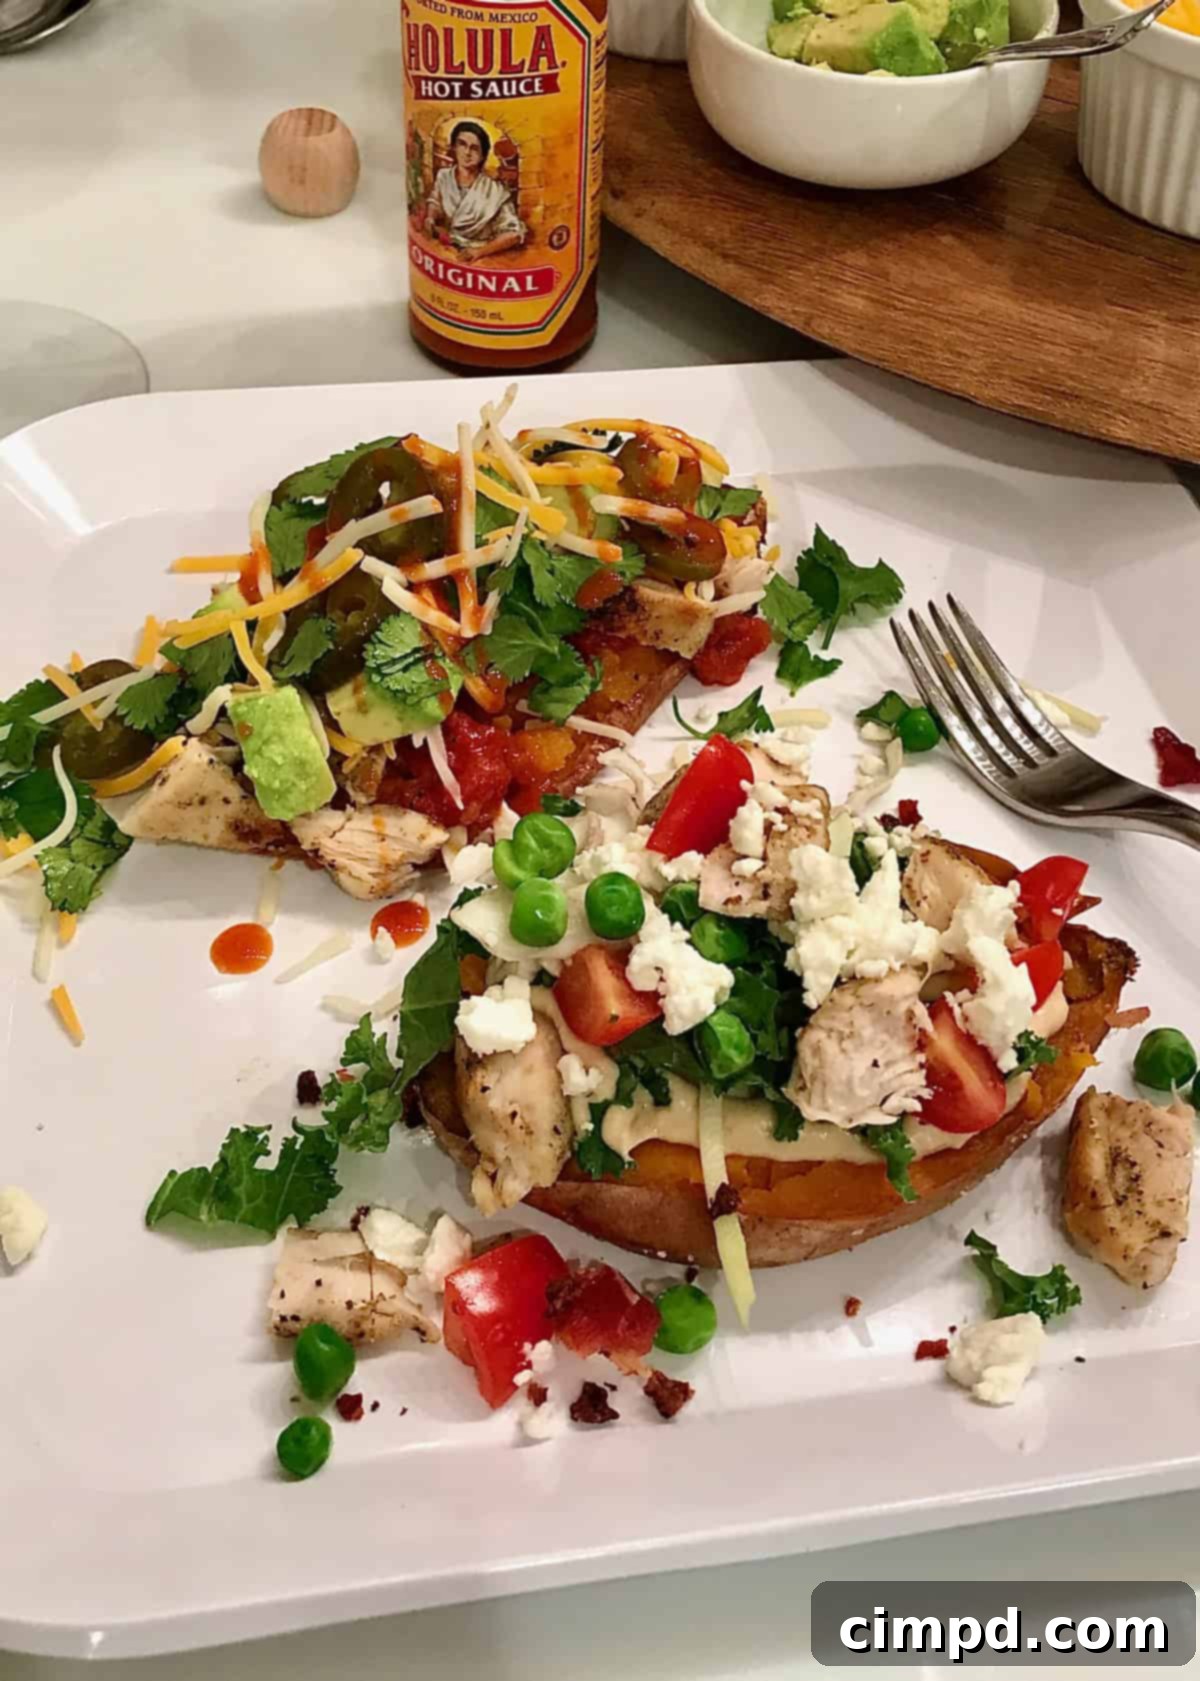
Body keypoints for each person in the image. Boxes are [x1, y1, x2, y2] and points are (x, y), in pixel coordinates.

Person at [426, 121, 526, 263]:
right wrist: (430, 218)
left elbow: (513, 234)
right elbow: (435, 201)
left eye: (474, 148)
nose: (467, 153)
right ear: (454, 147)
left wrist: (479, 252)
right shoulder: (444, 176)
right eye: (462, 144)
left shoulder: (495, 190)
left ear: (482, 155)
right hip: (447, 249)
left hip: (482, 256)